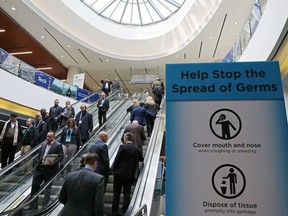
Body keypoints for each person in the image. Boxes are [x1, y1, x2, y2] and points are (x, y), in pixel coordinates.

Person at [112, 132, 144, 216]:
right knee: (127, 193)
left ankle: (115, 211)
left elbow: (117, 159)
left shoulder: (122, 147)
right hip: (129, 175)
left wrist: (112, 170)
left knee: (116, 193)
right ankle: (125, 211)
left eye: (124, 137)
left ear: (126, 138)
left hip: (119, 174)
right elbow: (141, 159)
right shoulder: (136, 148)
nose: (123, 139)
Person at [30, 131, 64, 207]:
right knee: (35, 185)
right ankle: (33, 203)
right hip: (40, 167)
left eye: (49, 137)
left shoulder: (58, 145)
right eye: (47, 136)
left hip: (50, 169)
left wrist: (54, 162)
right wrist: (38, 162)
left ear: (53, 137)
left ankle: (45, 204)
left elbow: (61, 156)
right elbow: (39, 155)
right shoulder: (44, 144)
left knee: (47, 187)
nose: (47, 138)